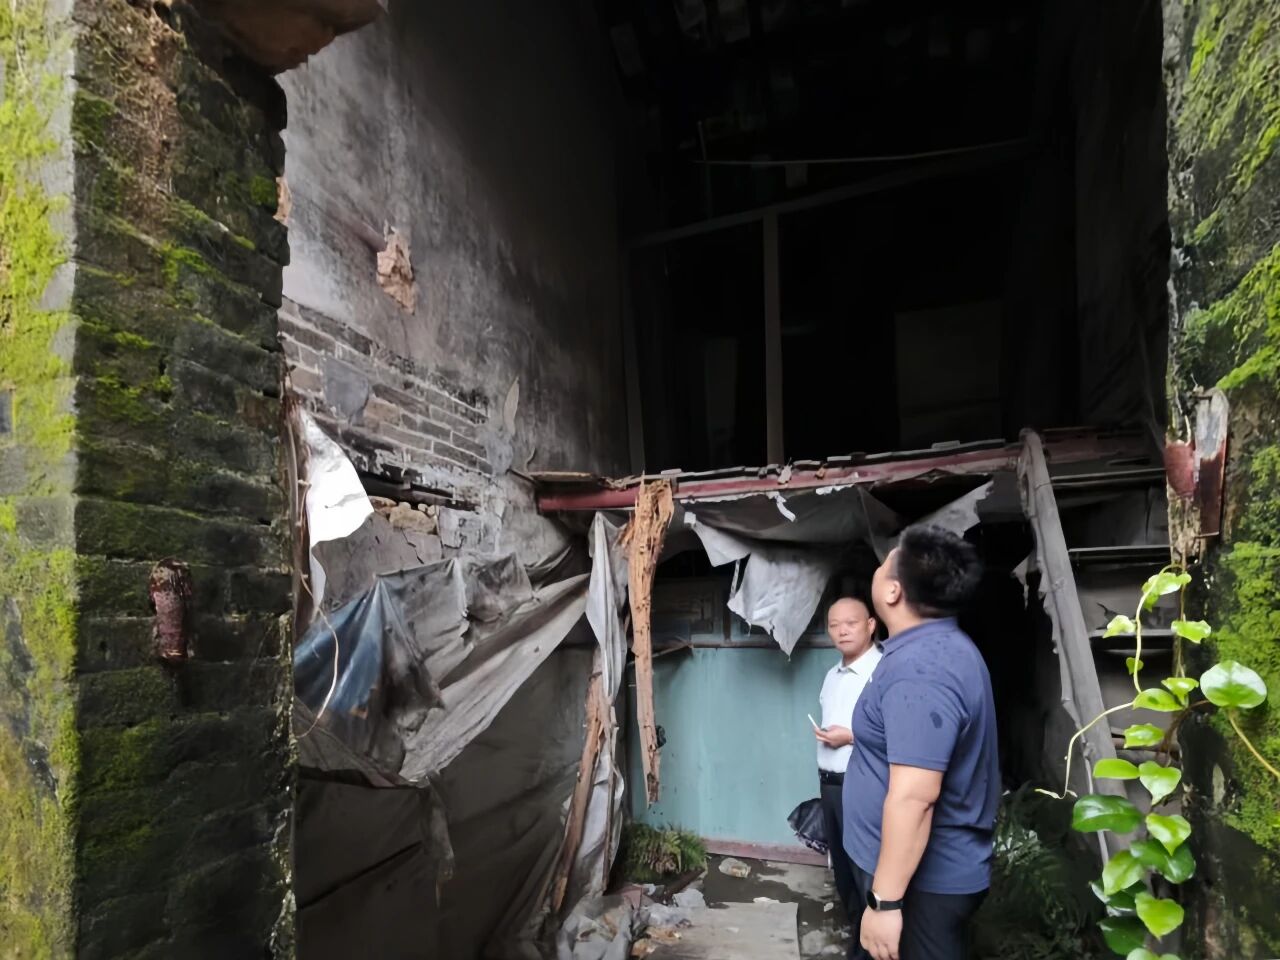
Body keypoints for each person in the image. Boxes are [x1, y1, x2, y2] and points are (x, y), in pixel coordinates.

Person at [842, 525, 998, 960]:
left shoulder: (923, 669)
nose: (875, 571)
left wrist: (885, 903)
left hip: (920, 887)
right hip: (903, 876)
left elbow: (915, 798)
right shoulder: (932, 648)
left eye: (883, 564)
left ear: (893, 592)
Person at [814, 596, 882, 948]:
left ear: (871, 625)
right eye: (834, 625)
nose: (841, 631)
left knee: (867, 874)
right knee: (843, 876)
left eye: (851, 623)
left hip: (864, 786)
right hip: (830, 786)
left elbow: (898, 735)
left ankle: (876, 949)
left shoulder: (882, 672)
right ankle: (859, 948)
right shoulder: (832, 675)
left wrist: (851, 737)